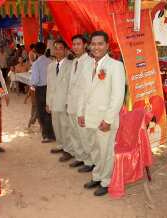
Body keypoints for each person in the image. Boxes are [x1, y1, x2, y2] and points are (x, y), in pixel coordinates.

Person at [79, 31, 125, 196]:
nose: (96, 47)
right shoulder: (88, 65)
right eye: (93, 44)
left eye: (100, 44)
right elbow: (84, 92)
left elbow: (118, 96)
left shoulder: (115, 65)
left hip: (105, 119)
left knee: (106, 152)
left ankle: (106, 181)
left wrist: (108, 119)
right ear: (89, 46)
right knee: (94, 149)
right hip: (90, 116)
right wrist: (81, 113)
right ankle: (97, 176)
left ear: (107, 45)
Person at [67, 34, 95, 171]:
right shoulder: (74, 61)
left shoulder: (89, 62)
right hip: (72, 104)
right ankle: (80, 157)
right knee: (75, 133)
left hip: (82, 106)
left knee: (84, 135)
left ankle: (90, 161)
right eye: (74, 44)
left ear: (85, 45)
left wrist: (83, 109)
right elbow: (71, 85)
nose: (76, 47)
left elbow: (87, 88)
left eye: (79, 44)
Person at [46, 40, 75, 161]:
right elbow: (49, 85)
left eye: (60, 48)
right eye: (56, 48)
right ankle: (61, 145)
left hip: (64, 102)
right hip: (53, 102)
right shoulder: (51, 65)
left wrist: (69, 102)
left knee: (65, 126)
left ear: (66, 50)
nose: (58, 51)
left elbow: (72, 86)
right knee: (56, 125)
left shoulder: (71, 64)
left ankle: (69, 150)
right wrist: (48, 103)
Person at [31, 42, 55, 143]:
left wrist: (32, 85)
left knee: (42, 112)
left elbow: (35, 80)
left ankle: (46, 135)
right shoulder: (51, 61)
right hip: (51, 88)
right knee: (50, 111)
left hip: (41, 89)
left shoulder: (36, 64)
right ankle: (53, 133)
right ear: (45, 50)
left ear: (35, 51)